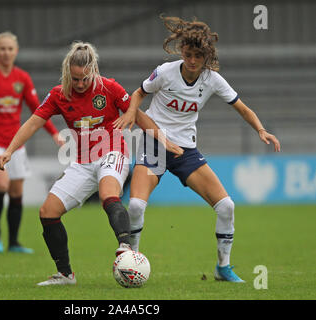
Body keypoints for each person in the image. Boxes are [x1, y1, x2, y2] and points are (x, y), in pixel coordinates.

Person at [0, 41, 183, 285]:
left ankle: (125, 248)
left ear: (93, 70)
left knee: (108, 195)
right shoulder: (58, 94)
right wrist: (10, 150)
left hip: (113, 152)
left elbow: (138, 115)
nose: (81, 84)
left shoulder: (110, 88)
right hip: (82, 161)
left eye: (85, 78)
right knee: (48, 213)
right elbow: (33, 122)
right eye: (75, 79)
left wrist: (164, 140)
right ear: (67, 74)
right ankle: (65, 274)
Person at [114, 16, 281, 283]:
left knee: (226, 206)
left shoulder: (212, 80)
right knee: (134, 205)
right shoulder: (166, 72)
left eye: (198, 56)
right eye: (188, 54)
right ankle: (130, 260)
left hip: (186, 151)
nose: (192, 61)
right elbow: (138, 93)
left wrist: (260, 129)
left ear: (206, 56)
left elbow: (242, 107)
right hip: (154, 144)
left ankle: (223, 268)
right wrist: (133, 114)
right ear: (182, 52)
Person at [0, 31, 64, 254]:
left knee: (16, 192)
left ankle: (13, 242)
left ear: (16, 51)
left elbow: (38, 110)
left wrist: (53, 133)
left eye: (10, 49)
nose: (6, 52)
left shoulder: (22, 78)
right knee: (1, 185)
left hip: (14, 144)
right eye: (2, 49)